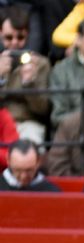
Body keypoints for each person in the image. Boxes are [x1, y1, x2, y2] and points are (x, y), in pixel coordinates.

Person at [0, 6, 51, 143]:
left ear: (28, 34)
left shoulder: (40, 63)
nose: (15, 43)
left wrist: (29, 83)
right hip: (0, 122)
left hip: (27, 123)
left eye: (20, 37)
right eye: (9, 38)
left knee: (29, 152)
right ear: (0, 33)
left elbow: (42, 109)